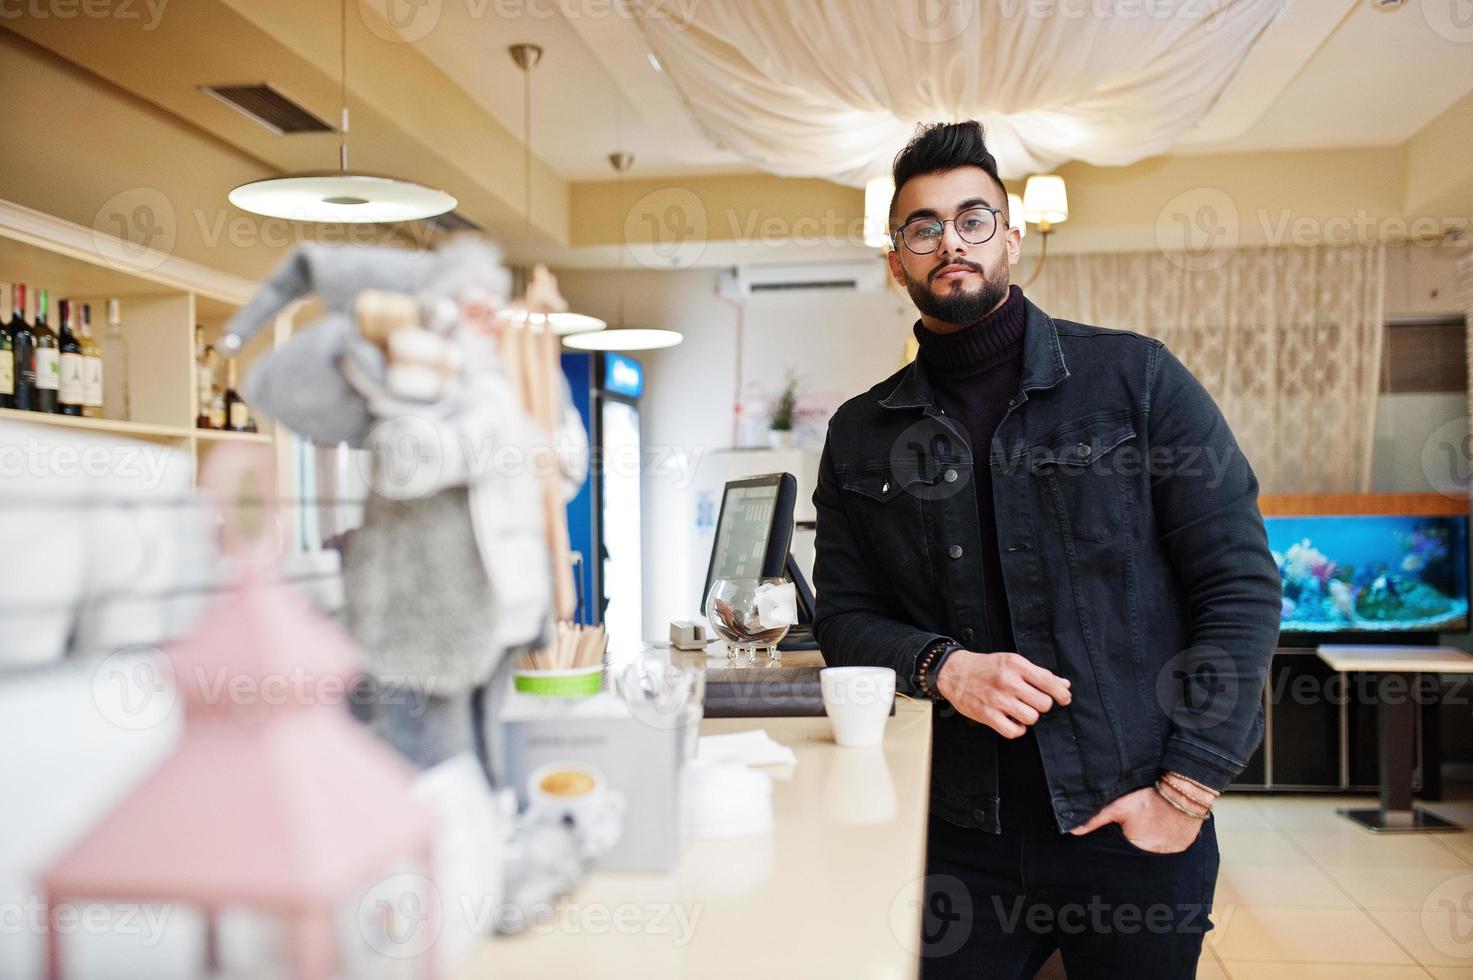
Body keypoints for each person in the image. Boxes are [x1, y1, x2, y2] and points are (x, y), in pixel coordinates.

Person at [812, 121, 1280, 979]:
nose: (949, 240)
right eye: (922, 227)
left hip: (1131, 826)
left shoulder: (1135, 380)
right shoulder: (859, 432)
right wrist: (940, 666)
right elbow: (842, 618)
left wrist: (1186, 790)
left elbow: (1238, 585)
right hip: (957, 838)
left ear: (1012, 236)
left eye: (973, 218)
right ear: (896, 260)